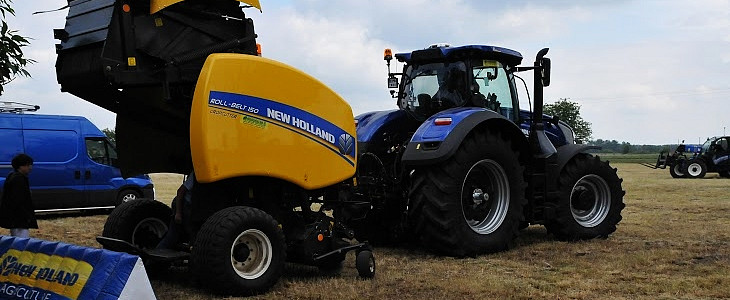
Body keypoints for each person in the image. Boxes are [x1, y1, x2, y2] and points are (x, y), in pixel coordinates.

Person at [0, 154, 37, 238]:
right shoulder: (18, 179)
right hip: (19, 219)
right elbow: (19, 200)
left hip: (16, 218)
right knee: (21, 239)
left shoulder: (13, 176)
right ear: (21, 166)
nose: (30, 167)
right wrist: (26, 215)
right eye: (28, 165)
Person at [156, 171, 195, 250]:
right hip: (184, 205)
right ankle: (159, 253)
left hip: (188, 206)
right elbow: (180, 191)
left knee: (179, 235)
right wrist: (178, 213)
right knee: (174, 235)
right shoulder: (197, 174)